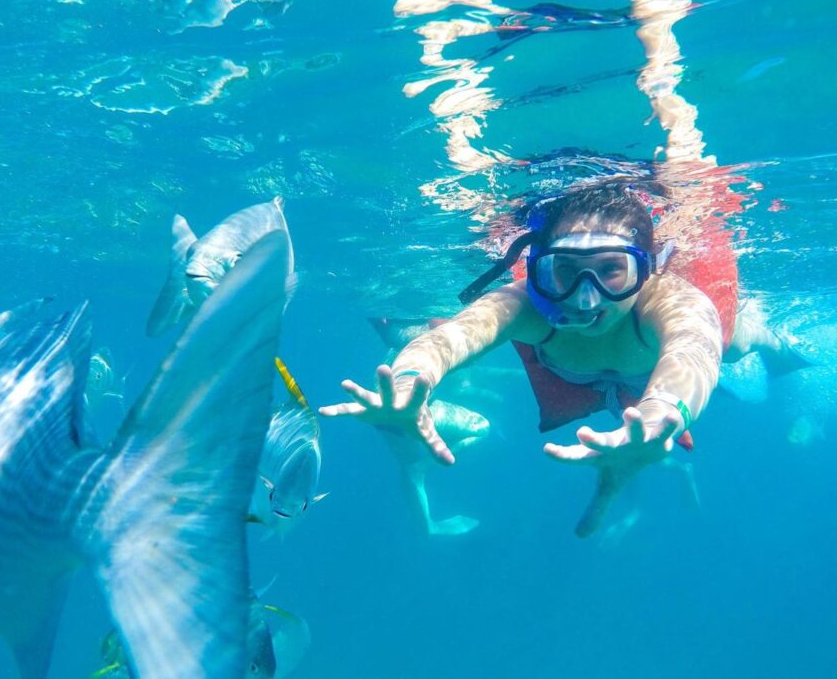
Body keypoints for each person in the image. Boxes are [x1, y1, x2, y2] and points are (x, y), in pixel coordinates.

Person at [319, 183, 806, 537]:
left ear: (647, 270)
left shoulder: (671, 303)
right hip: (613, 384)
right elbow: (450, 339)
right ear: (539, 271)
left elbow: (694, 350)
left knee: (735, 342)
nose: (585, 299)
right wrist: (408, 381)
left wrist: (663, 415)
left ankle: (772, 342)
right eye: (565, 273)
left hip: (648, 383)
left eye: (612, 272)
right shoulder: (525, 306)